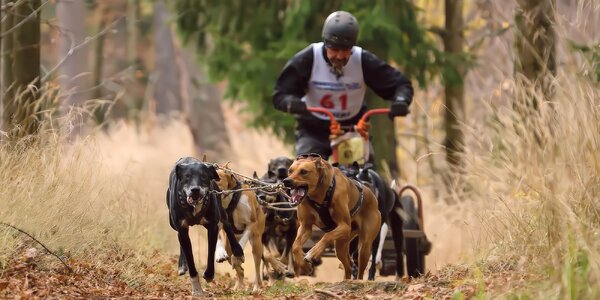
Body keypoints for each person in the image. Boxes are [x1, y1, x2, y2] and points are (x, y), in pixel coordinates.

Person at [273, 11, 414, 162]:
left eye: (346, 50)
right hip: (312, 131)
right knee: (306, 174)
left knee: (364, 178)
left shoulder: (363, 60)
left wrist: (401, 100)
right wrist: (291, 103)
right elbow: (280, 94)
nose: (340, 56)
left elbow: (401, 85)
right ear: (326, 43)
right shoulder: (308, 59)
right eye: (335, 49)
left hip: (352, 130)